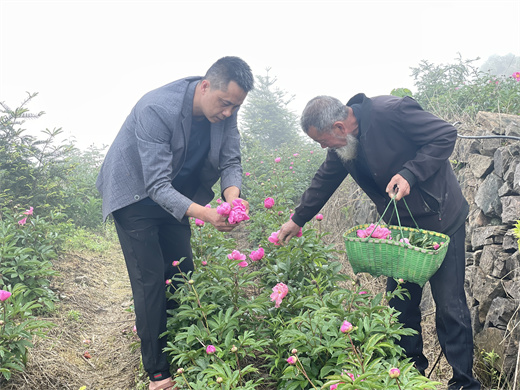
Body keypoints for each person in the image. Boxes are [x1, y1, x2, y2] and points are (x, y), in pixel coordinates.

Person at [277, 94, 481, 389]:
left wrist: (411, 172)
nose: (323, 148)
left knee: (450, 305)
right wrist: (297, 220)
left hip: (441, 219)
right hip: (400, 232)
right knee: (401, 305)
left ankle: (464, 382)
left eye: (322, 141)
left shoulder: (393, 112)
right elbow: (324, 180)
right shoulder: (344, 147)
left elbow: (444, 134)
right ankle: (411, 378)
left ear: (339, 126)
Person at [96, 56, 254, 390]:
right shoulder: (157, 108)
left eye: (235, 107)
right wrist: (206, 214)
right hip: (135, 195)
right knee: (151, 280)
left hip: (176, 195)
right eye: (225, 104)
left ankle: (185, 351)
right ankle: (158, 374)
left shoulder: (228, 112)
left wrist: (232, 198)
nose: (227, 113)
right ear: (206, 85)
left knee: (182, 273)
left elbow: (231, 160)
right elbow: (155, 185)